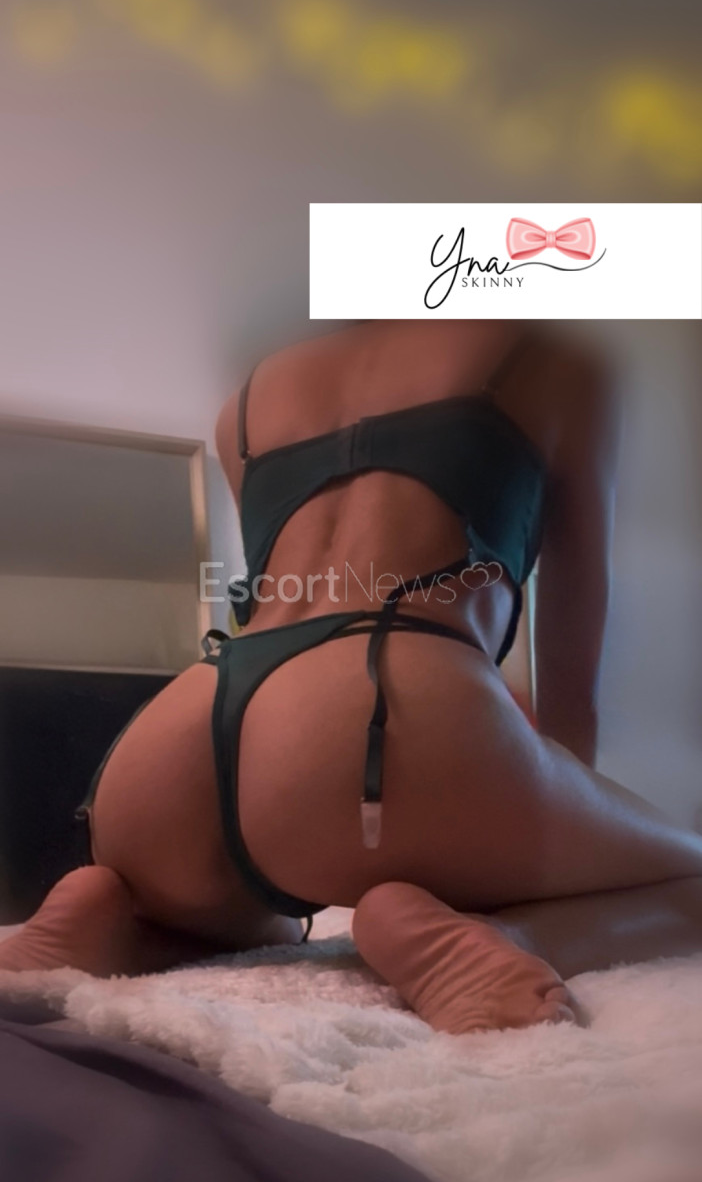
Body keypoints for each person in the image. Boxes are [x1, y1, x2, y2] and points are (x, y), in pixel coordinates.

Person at [2, 319, 702, 1037]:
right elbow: (574, 624)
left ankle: (113, 911)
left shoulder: (247, 400)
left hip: (180, 735)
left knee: (272, 917)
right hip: (375, 702)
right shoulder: (548, 354)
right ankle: (509, 941)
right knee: (693, 869)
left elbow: (270, 595)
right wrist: (556, 820)